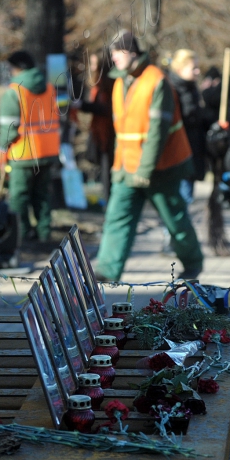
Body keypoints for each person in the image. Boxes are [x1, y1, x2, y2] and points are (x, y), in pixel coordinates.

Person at [93, 31, 204, 282]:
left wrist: (144, 170)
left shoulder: (156, 81)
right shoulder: (121, 82)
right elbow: (123, 130)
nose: (113, 58)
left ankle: (193, 262)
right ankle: (107, 272)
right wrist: (118, 167)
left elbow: (157, 133)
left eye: (117, 52)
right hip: (127, 166)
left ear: (132, 52)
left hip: (162, 167)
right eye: (112, 53)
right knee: (117, 217)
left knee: (175, 219)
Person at [0, 50, 60, 246]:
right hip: (48, 152)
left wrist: (0, 150)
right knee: (42, 197)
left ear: (16, 68)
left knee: (19, 197)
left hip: (22, 154)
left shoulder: (14, 91)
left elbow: (9, 129)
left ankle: (22, 236)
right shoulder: (49, 87)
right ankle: (44, 234)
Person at [75, 53, 116, 202]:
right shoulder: (98, 85)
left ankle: (110, 207)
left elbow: (106, 109)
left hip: (109, 136)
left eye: (94, 64)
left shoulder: (110, 85)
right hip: (99, 134)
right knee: (104, 174)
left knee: (108, 175)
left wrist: (84, 106)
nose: (92, 68)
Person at [168, 50, 206, 203]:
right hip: (178, 154)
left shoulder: (191, 89)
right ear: (180, 69)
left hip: (192, 151)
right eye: (193, 68)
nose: (197, 71)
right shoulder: (171, 90)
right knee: (180, 201)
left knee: (186, 197)